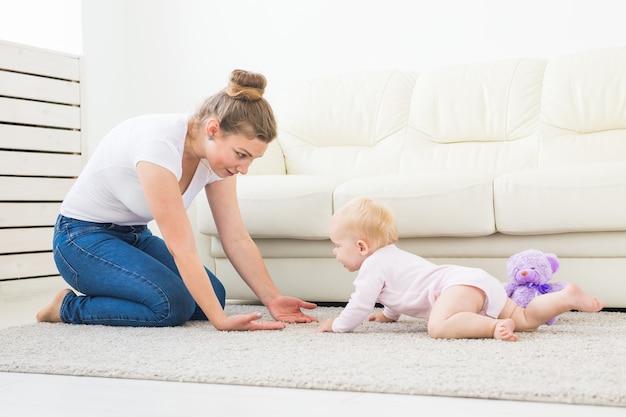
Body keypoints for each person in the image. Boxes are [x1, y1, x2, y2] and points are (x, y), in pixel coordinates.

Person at [37, 69, 317, 330]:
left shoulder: (217, 159)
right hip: (80, 239)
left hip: (134, 236)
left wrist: (272, 298)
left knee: (212, 297)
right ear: (212, 129)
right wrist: (220, 322)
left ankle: (126, 288)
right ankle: (67, 307)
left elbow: (235, 237)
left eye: (252, 159)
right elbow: (182, 248)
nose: (244, 169)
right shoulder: (158, 147)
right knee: (171, 305)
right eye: (241, 155)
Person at [317, 197, 603, 341]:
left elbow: (360, 303)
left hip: (457, 288)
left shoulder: (372, 267)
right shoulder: (392, 257)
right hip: (472, 280)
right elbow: (401, 290)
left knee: (438, 327)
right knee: (526, 318)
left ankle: (493, 327)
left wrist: (338, 325)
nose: (334, 252)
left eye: (338, 245)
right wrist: (390, 316)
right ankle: (565, 297)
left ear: (362, 247)